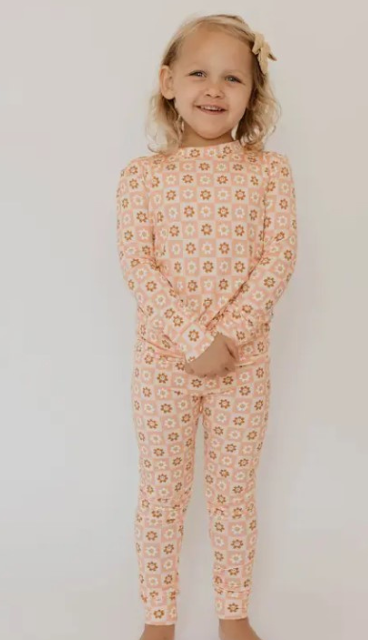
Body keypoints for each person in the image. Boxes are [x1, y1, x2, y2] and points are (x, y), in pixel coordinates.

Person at [115, 13, 298, 640]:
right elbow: (138, 267)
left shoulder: (269, 172)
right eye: (198, 73)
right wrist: (194, 341)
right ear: (169, 82)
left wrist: (227, 340)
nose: (214, 89)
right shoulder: (142, 177)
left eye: (232, 78)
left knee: (233, 495)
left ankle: (234, 615)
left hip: (241, 367)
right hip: (162, 365)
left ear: (253, 93)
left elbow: (278, 260)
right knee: (161, 495)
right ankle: (158, 620)